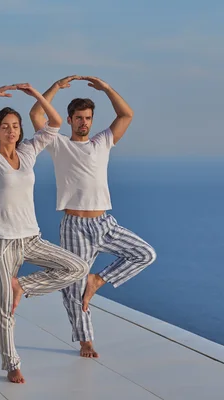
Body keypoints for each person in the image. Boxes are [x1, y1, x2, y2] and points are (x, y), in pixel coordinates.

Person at [0, 83, 90, 384]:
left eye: (16, 126)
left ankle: (24, 287)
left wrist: (41, 94)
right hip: (0, 244)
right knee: (1, 309)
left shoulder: (29, 151)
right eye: (5, 126)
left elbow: (56, 123)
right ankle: (11, 363)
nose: (12, 131)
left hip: (31, 238)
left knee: (77, 267)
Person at [29, 75, 157, 358]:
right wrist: (54, 88)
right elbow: (36, 114)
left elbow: (126, 114)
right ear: (70, 119)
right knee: (73, 285)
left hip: (104, 223)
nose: (84, 122)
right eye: (78, 117)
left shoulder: (103, 141)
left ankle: (99, 280)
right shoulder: (57, 143)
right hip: (75, 226)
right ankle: (86, 341)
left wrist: (107, 88)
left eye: (87, 117)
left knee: (145, 254)